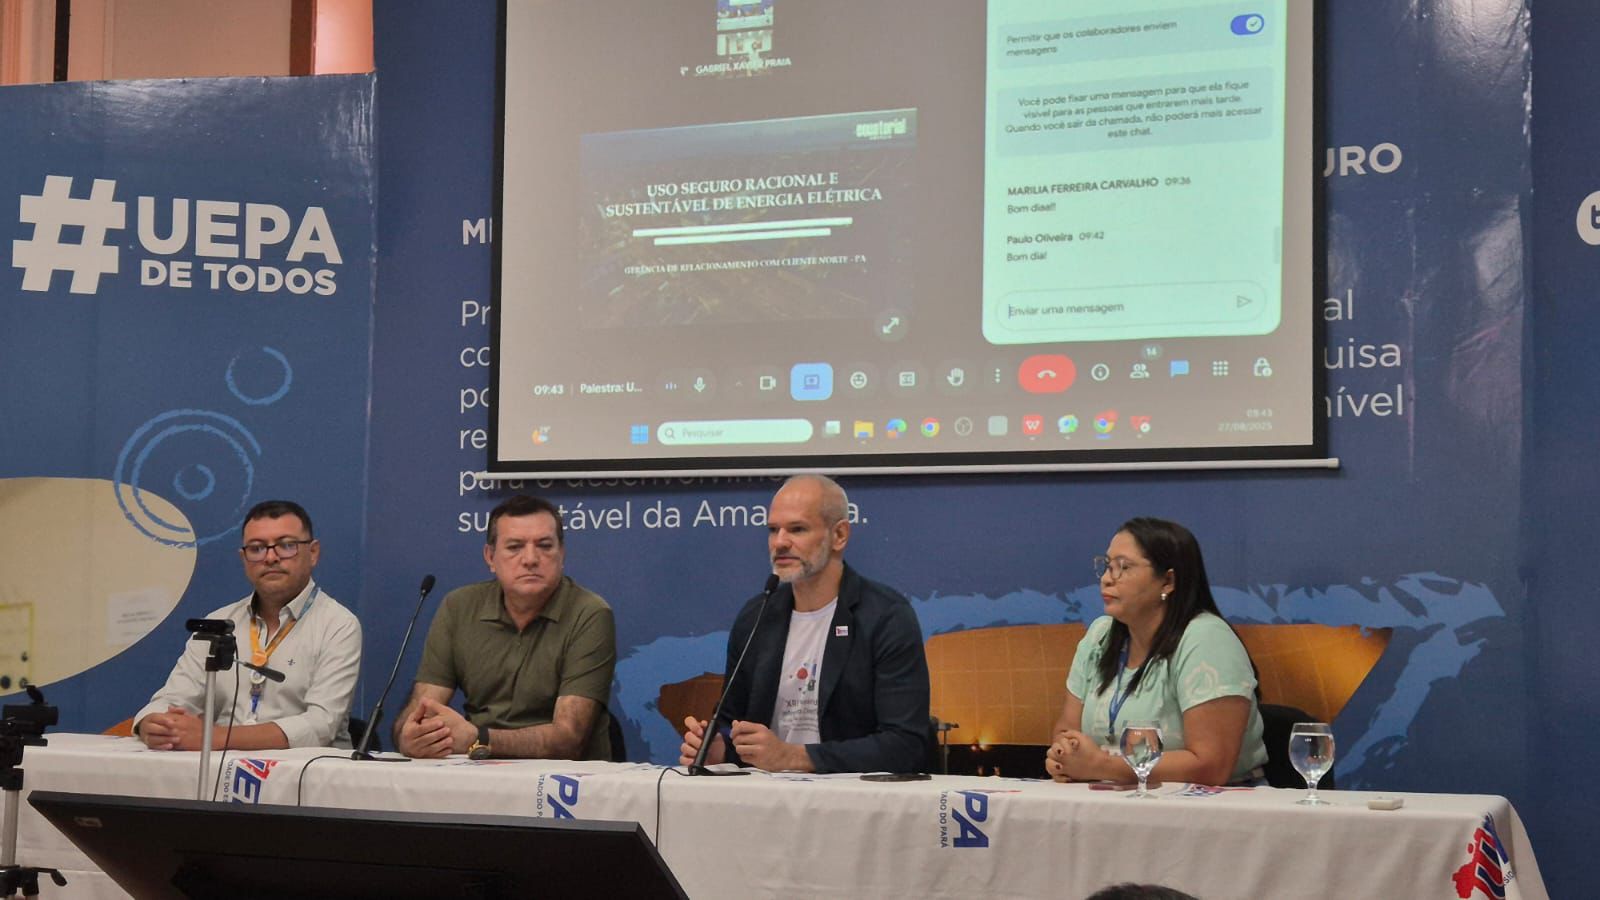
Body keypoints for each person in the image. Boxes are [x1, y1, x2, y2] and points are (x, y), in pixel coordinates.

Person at [678, 475, 932, 774]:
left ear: (839, 535)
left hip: (855, 804)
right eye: (773, 530)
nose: (780, 542)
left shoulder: (885, 616)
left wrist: (795, 757)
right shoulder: (756, 616)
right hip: (762, 801)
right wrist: (718, 750)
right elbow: (734, 723)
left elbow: (905, 745)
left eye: (797, 529)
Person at [1046, 517, 1267, 786]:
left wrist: (1103, 766)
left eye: (1123, 568)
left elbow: (1212, 765)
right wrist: (1065, 755)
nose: (1106, 579)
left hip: (1208, 810)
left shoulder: (1206, 639)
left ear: (1168, 581)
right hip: (1110, 803)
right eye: (1106, 566)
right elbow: (1067, 728)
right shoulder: (1100, 636)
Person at [393, 494, 616, 760]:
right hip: (477, 775)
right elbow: (423, 707)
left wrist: (478, 738)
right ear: (490, 557)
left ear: (562, 554)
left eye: (545, 545)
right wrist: (409, 736)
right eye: (515, 547)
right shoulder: (459, 606)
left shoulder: (589, 613)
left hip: (565, 783)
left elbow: (568, 738)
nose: (531, 558)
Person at [134, 500, 361, 750]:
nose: (271, 558)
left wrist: (214, 737)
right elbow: (171, 699)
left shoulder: (338, 625)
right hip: (219, 775)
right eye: (257, 548)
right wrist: (152, 725)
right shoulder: (217, 623)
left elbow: (320, 726)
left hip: (302, 778)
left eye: (286, 546)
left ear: (313, 553)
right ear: (244, 558)